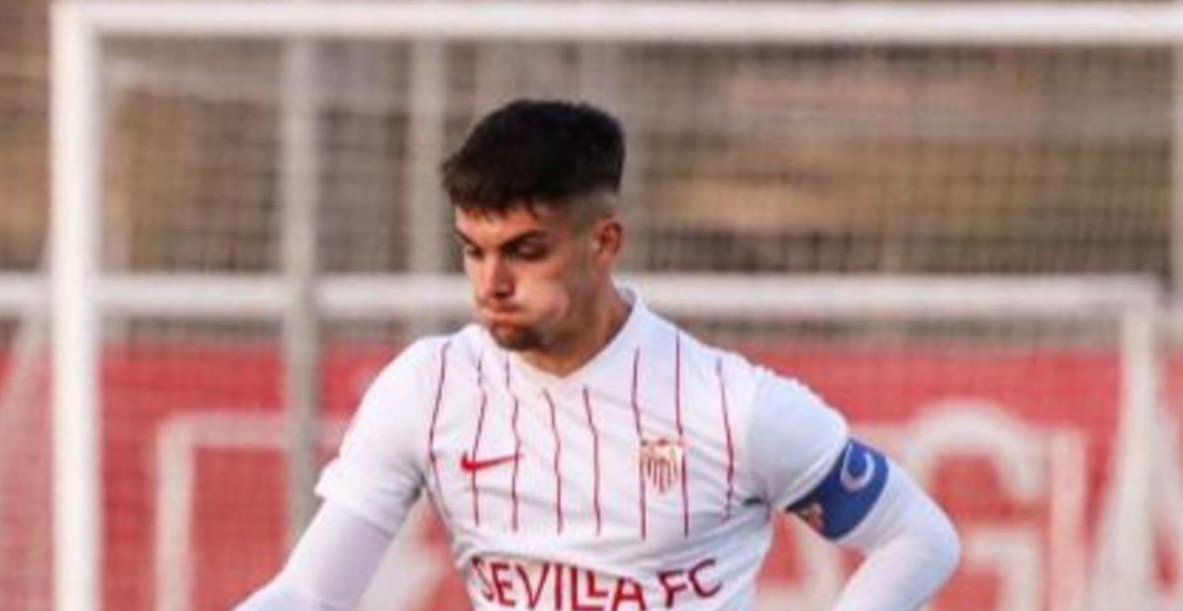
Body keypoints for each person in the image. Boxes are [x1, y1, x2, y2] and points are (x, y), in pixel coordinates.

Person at [237, 100, 959, 610]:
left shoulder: (729, 405)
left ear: (604, 241)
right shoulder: (428, 389)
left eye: (525, 251)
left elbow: (917, 536)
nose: (492, 283)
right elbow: (311, 593)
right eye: (473, 251)